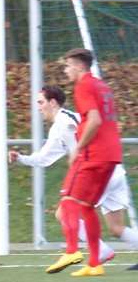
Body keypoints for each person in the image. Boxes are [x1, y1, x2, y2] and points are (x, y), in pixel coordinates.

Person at [9, 84, 138, 268]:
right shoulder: (57, 129)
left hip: (100, 172)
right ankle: (101, 250)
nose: (38, 107)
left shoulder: (67, 118)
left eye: (40, 102)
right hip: (113, 172)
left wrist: (84, 142)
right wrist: (21, 158)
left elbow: (85, 124)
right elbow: (43, 159)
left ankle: (99, 251)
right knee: (116, 228)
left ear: (52, 102)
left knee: (64, 212)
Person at [45, 49, 123, 276]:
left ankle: (71, 251)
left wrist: (78, 148)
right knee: (87, 207)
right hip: (112, 156)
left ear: (80, 67)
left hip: (94, 154)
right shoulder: (102, 86)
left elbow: (95, 120)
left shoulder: (83, 86)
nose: (65, 70)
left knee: (68, 200)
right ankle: (94, 264)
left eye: (68, 65)